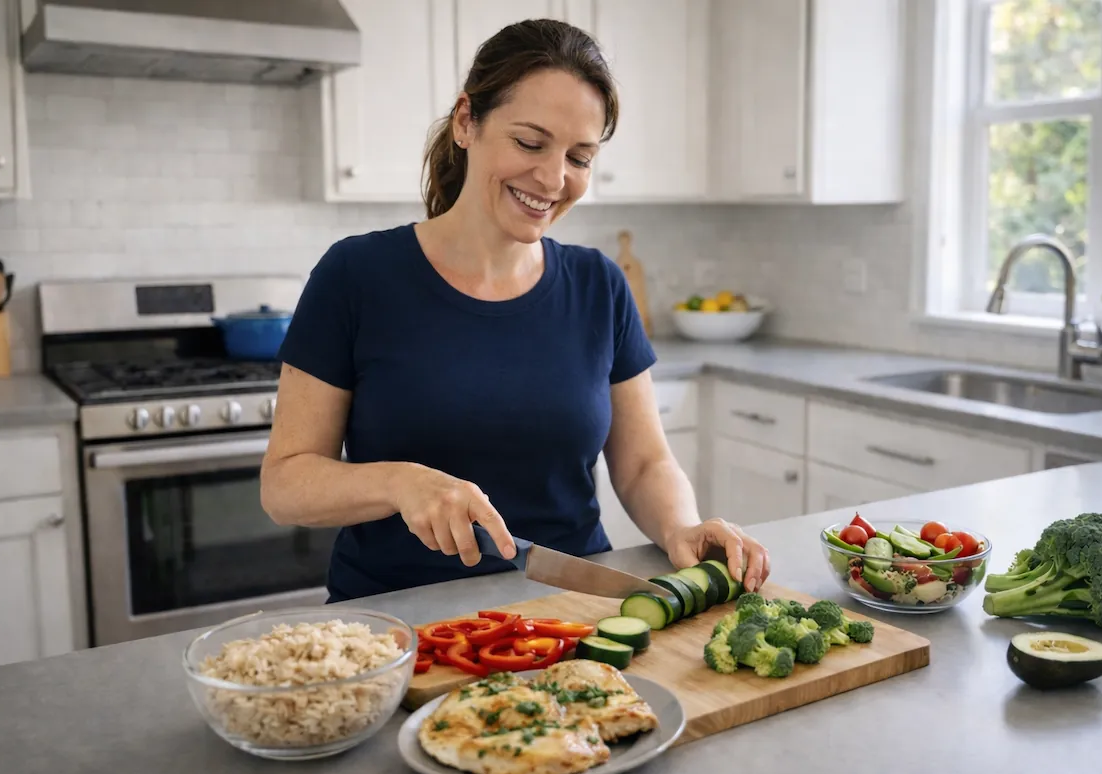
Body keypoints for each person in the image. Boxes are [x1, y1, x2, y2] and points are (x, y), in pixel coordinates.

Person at [260, 18, 771, 602]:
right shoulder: (356, 275)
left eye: (579, 157)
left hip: (572, 609)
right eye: (530, 143)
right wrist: (399, 483)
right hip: (399, 621)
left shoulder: (599, 284)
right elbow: (285, 484)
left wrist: (682, 526)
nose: (553, 178)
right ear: (465, 122)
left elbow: (643, 464)